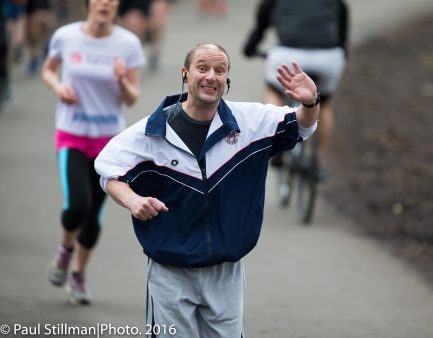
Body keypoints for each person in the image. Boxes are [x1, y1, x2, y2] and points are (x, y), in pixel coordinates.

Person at [94, 43, 319, 336]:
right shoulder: (151, 132)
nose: (211, 76)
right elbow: (108, 167)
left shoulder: (249, 124)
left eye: (220, 70)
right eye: (203, 68)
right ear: (185, 74)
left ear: (227, 81)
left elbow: (300, 127)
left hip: (225, 273)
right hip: (169, 271)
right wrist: (132, 199)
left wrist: (310, 103)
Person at [41, 0, 145, 305]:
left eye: (111, 0)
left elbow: (132, 98)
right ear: (88, 4)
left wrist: (122, 80)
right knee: (78, 205)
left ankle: (78, 276)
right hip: (72, 135)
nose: (105, 4)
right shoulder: (66, 36)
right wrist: (58, 88)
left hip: (109, 143)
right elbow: (49, 71)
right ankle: (64, 251)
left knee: (93, 217)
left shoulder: (128, 44)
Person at [243, 0, 349, 176]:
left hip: (289, 54)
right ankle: (319, 158)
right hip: (329, 56)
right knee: (324, 104)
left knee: (274, 89)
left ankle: (276, 142)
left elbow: (260, 28)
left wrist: (250, 49)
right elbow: (342, 35)